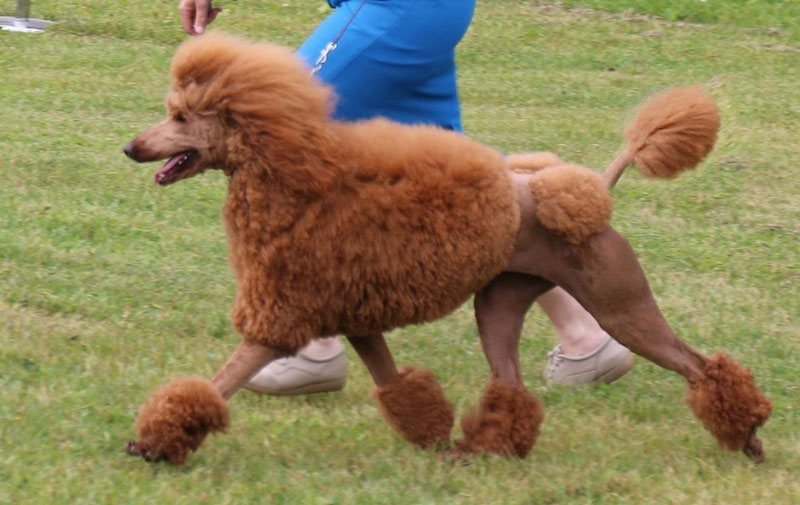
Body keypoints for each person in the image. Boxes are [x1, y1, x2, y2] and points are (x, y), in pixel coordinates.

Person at [177, 0, 634, 394]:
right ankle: (583, 336)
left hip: (398, 8)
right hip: (424, 11)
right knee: (459, 180)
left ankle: (310, 340)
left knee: (274, 126)